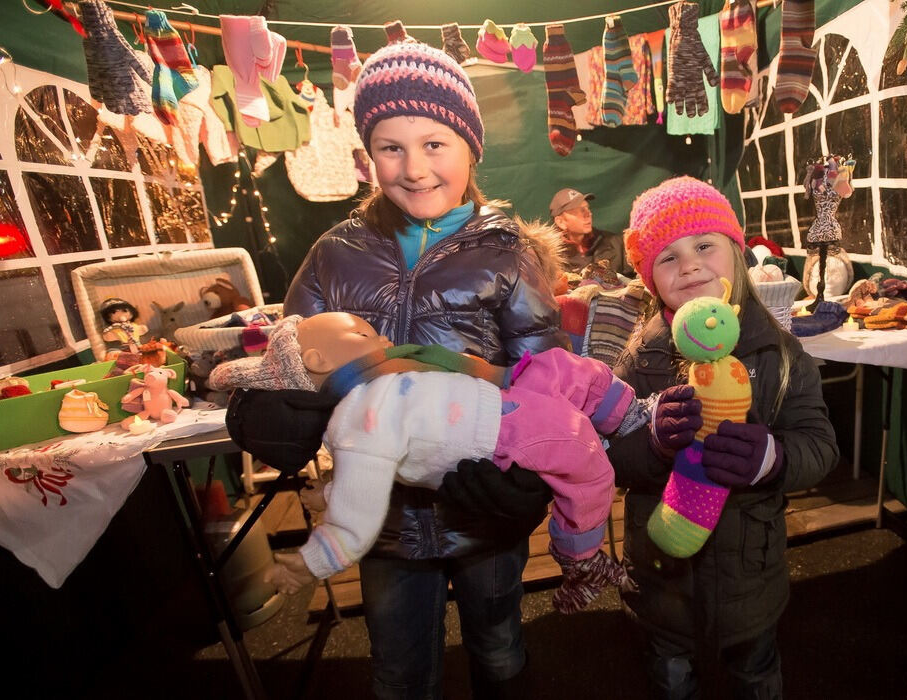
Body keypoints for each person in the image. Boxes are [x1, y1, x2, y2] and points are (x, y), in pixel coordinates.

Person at [277, 41, 569, 698]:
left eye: (434, 144)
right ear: (366, 153)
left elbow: (546, 372)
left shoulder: (507, 252)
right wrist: (273, 406)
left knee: (498, 646)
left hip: (485, 505)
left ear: (470, 147)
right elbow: (290, 359)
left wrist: (524, 474)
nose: (413, 168)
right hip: (376, 516)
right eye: (390, 146)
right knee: (399, 669)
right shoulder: (333, 253)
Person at [209, 312, 636, 613]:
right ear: (317, 362)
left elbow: (359, 472)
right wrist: (310, 562)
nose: (385, 342)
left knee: (558, 366)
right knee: (587, 462)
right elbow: (355, 518)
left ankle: (631, 416)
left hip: (505, 398)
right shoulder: (360, 416)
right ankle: (581, 559)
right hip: (504, 432)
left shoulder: (372, 393)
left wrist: (329, 492)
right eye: (365, 336)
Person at [603, 176, 839, 698]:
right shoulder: (641, 355)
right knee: (670, 676)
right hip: (663, 576)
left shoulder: (779, 352)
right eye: (667, 257)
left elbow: (820, 444)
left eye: (703, 246)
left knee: (756, 675)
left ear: (736, 252)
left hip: (749, 576)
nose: (688, 265)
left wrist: (773, 458)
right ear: (649, 280)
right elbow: (611, 455)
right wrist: (654, 444)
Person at [550, 187, 632, 278]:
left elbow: (634, 282)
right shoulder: (549, 258)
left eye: (587, 208)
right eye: (579, 210)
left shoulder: (616, 243)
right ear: (561, 222)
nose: (588, 214)